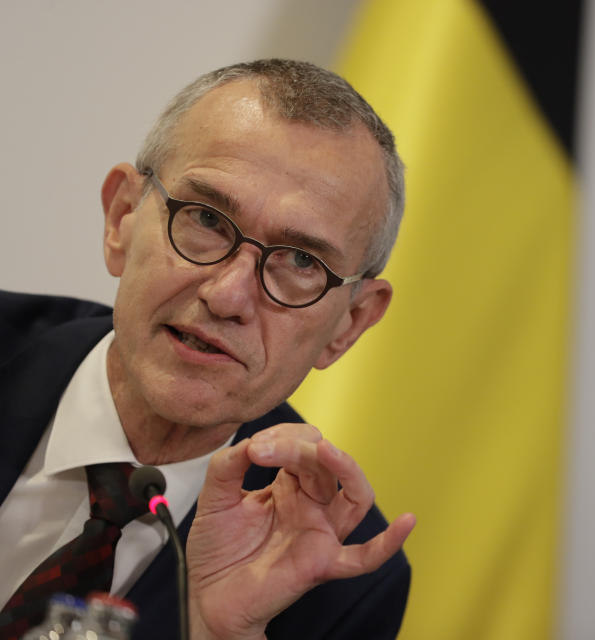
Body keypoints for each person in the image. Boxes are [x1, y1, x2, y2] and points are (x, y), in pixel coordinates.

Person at [0, 59, 416, 639]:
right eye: (206, 219)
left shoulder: (338, 584)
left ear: (349, 323)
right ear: (122, 217)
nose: (227, 296)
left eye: (301, 261)